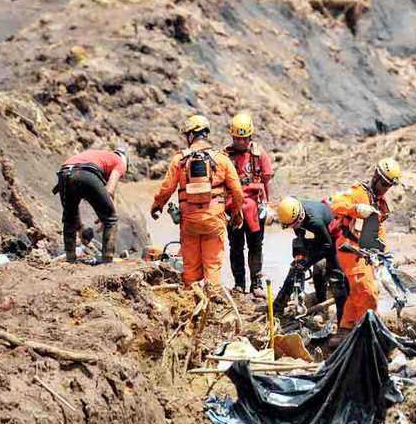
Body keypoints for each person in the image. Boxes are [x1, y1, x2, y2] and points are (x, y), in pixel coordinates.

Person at [151, 114, 245, 293]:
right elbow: (238, 191)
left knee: (191, 269)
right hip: (214, 221)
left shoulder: (179, 159)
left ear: (190, 135)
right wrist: (236, 212)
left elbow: (166, 188)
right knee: (212, 266)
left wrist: (157, 206)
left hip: (190, 222)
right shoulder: (222, 159)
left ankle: (190, 301)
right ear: (205, 133)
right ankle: (213, 301)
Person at [329, 158, 402, 333]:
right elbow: (335, 204)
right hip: (348, 247)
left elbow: (379, 230)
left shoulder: (380, 204)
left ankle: (345, 330)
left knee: (358, 294)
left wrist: (382, 254)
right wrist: (356, 209)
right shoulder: (358, 192)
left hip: (365, 252)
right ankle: (369, 330)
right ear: (376, 177)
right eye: (384, 184)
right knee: (368, 291)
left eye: (388, 186)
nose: (385, 188)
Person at [272, 196, 348, 323]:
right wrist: (301, 255)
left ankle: (343, 321)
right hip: (321, 237)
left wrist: (308, 261)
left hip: (334, 239)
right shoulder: (294, 208)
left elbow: (327, 246)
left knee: (333, 276)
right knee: (296, 268)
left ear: (300, 218)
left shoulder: (315, 222)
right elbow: (300, 231)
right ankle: (278, 307)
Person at [224, 111, 274, 298]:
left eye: (244, 138)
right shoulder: (225, 156)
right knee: (235, 246)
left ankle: (256, 284)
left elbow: (267, 180)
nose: (241, 142)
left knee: (256, 246)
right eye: (237, 138)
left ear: (250, 136)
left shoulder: (259, 154)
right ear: (232, 136)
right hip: (233, 208)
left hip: (254, 208)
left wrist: (268, 205)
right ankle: (239, 284)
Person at [53, 146, 128, 263]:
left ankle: (70, 259)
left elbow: (71, 212)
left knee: (69, 219)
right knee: (111, 220)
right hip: (86, 173)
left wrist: (80, 228)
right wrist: (105, 215)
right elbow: (110, 190)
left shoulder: (100, 155)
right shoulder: (120, 163)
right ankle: (107, 262)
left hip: (64, 173)